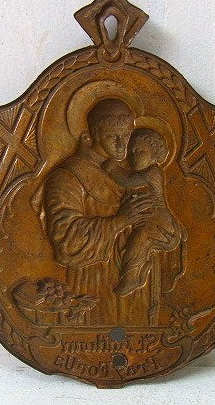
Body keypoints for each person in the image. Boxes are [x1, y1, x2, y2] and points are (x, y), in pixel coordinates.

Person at [37, 98, 154, 325]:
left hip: (137, 281)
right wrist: (119, 221)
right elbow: (66, 239)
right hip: (94, 280)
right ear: (93, 135)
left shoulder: (133, 171)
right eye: (112, 137)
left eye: (127, 136)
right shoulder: (68, 176)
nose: (122, 145)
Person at [102, 128, 184, 296]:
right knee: (136, 244)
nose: (134, 155)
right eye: (131, 151)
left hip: (159, 223)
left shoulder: (152, 172)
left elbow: (127, 181)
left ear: (155, 154)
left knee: (138, 242)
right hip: (150, 223)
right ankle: (140, 273)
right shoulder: (143, 172)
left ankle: (131, 278)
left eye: (141, 152)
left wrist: (111, 169)